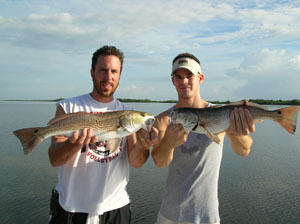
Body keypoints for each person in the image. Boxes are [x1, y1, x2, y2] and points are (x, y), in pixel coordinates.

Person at [48, 45, 153, 224]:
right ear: (92, 73)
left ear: (120, 75)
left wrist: (144, 146)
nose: (108, 77)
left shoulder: (127, 112)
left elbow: (135, 162)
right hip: (72, 210)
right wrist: (74, 144)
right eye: (103, 70)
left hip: (116, 209)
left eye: (114, 71)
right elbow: (54, 159)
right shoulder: (67, 108)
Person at [150, 53, 255, 224]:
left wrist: (235, 132)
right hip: (169, 215)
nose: (184, 81)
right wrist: (168, 144)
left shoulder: (219, 113)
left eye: (189, 75)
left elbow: (244, 150)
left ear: (201, 78)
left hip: (207, 216)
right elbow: (159, 162)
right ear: (173, 80)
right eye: (178, 77)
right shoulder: (164, 119)